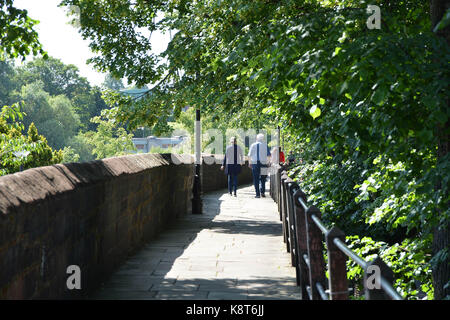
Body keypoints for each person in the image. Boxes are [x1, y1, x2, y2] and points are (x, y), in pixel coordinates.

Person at [248, 133, 271, 198]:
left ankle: (257, 194)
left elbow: (249, 155)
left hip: (255, 163)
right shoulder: (265, 145)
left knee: (256, 179)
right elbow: (269, 155)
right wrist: (268, 163)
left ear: (257, 138)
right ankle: (262, 192)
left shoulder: (253, 145)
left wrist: (250, 163)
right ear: (262, 139)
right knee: (263, 178)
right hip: (263, 163)